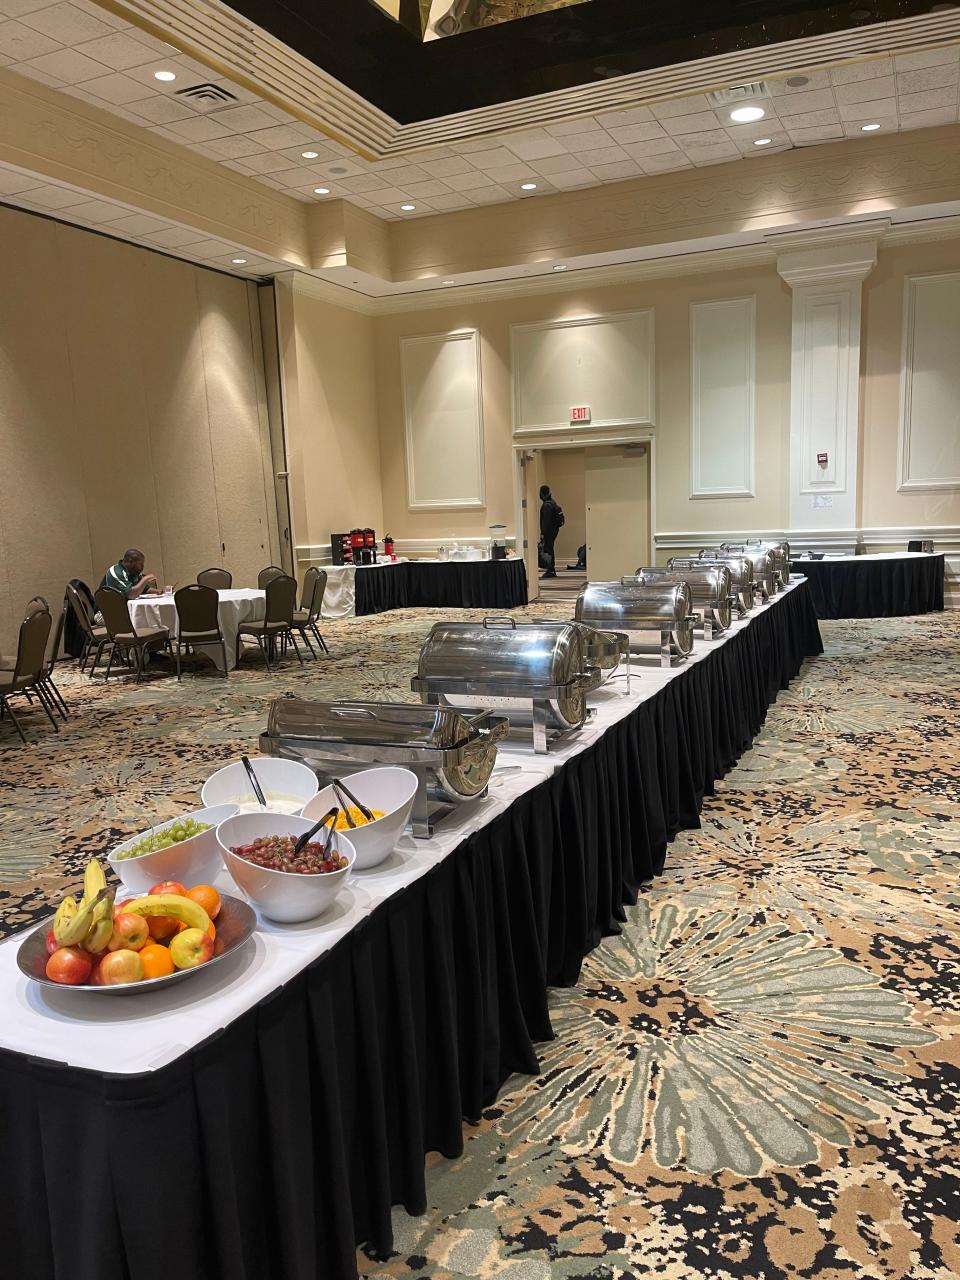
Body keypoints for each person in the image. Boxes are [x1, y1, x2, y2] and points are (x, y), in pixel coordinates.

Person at [539, 484, 564, 579]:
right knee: (550, 549)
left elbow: (546, 521)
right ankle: (551, 569)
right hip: (554, 530)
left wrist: (542, 533)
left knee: (549, 549)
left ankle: (551, 569)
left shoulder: (547, 505)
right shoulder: (552, 502)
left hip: (549, 531)